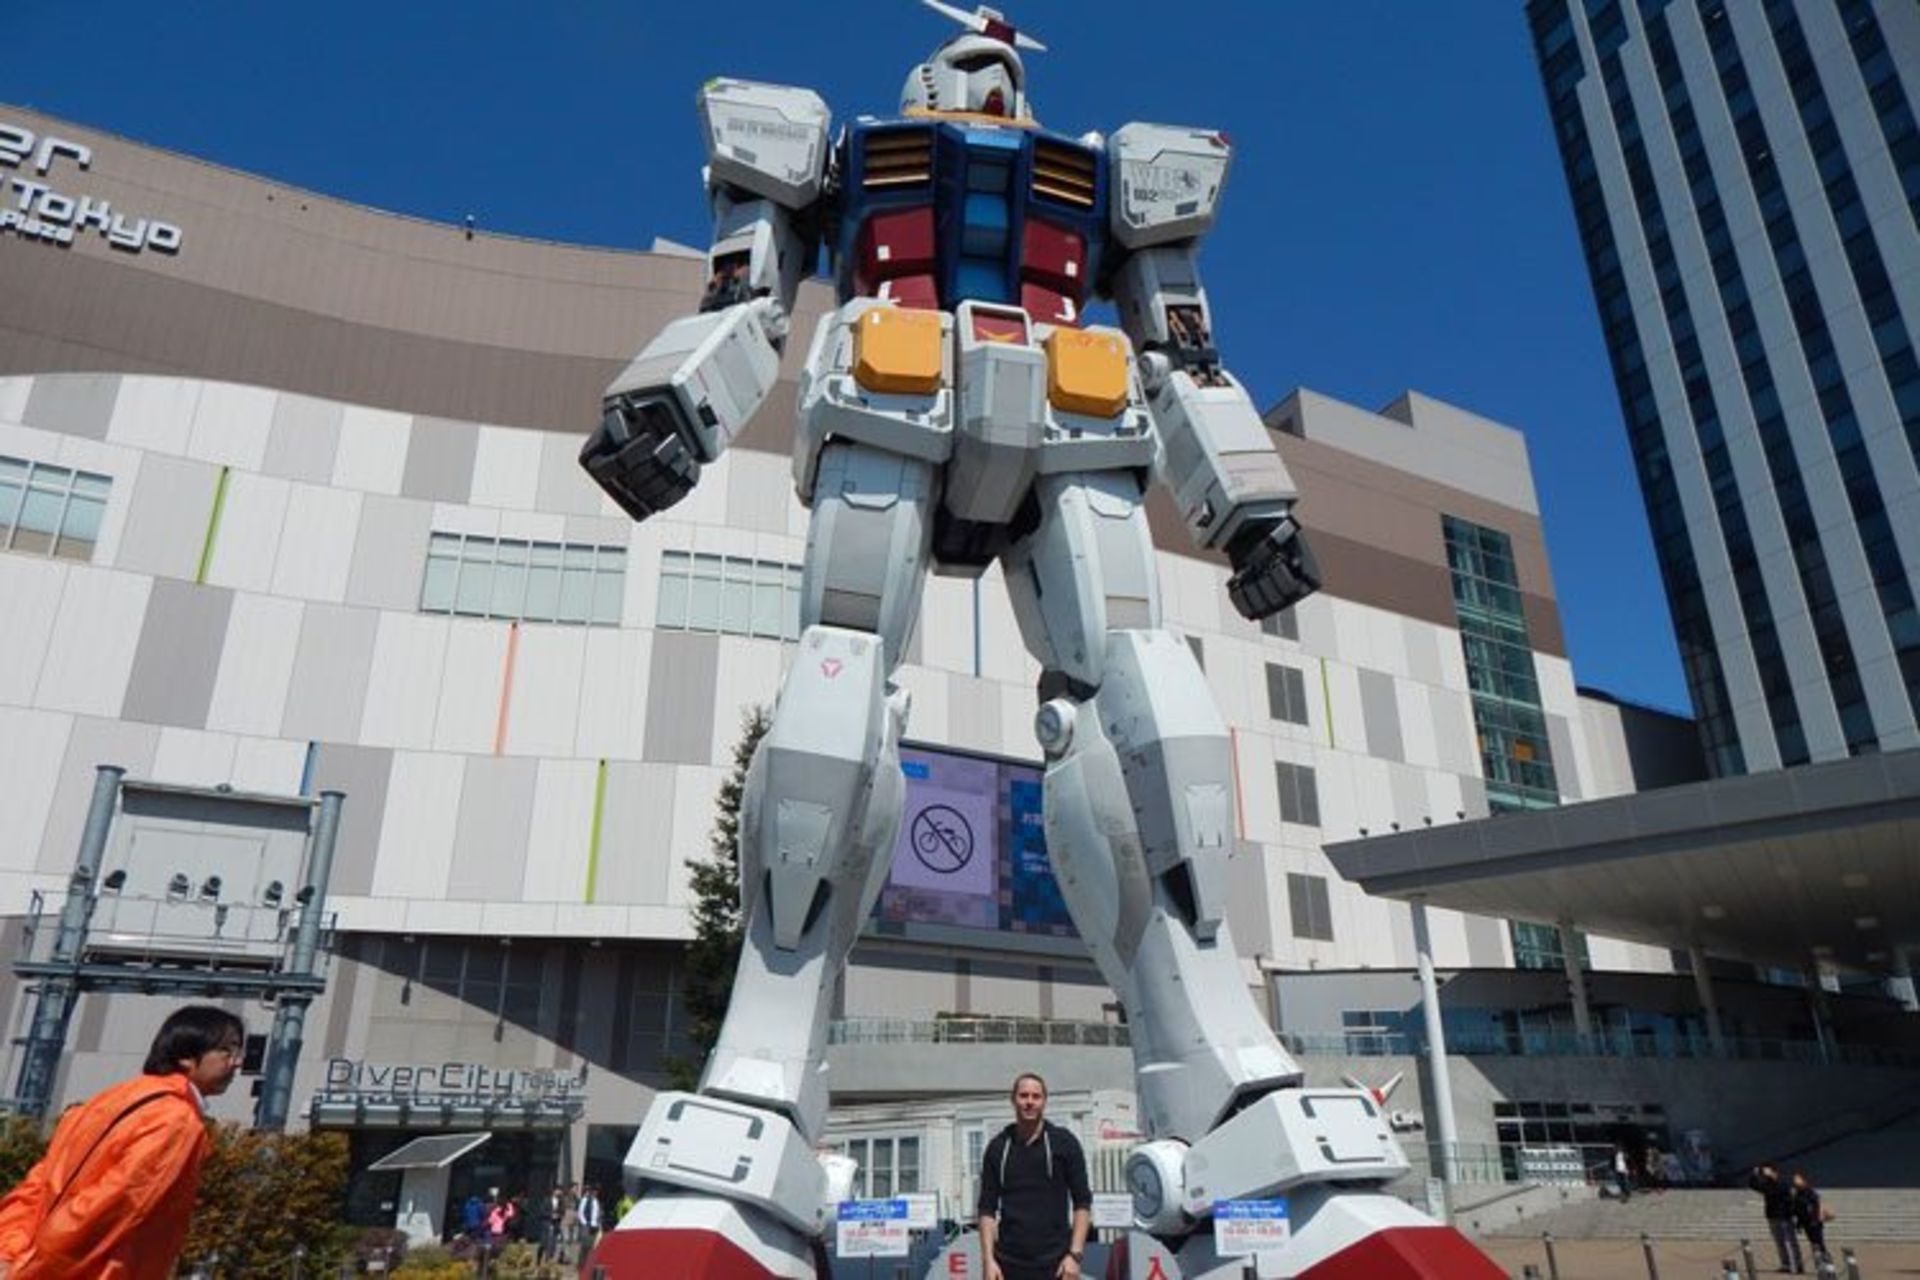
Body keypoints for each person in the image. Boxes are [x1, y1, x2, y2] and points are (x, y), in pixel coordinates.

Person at [0, 1004, 244, 1280]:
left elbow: (40, 1185)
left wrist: (9, 1254)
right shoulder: (176, 1121)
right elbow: (114, 1206)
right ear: (187, 1056)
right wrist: (34, 1270)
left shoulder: (107, 1100)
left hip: (34, 1260)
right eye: (227, 1051)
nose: (237, 1062)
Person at [977, 1073, 1091, 1280]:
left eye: (1036, 1096)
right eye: (1023, 1095)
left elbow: (1082, 1202)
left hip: (1057, 1265)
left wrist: (1075, 1255)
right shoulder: (998, 1148)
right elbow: (986, 1208)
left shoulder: (1064, 1143)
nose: (1029, 1102)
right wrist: (988, 1260)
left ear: (1044, 1101)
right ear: (1013, 1100)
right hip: (1007, 1265)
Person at [1749, 1163, 1802, 1274]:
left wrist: (1771, 1178)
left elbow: (1780, 1191)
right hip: (1773, 1216)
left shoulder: (1782, 1183)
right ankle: (1785, 1264)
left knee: (1790, 1241)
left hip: (1785, 1217)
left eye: (1767, 1171)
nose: (1765, 1174)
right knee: (1779, 1242)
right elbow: (1754, 1186)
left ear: (1774, 1172)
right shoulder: (1768, 1184)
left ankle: (1796, 1265)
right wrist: (1754, 1174)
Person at [1791, 1170, 1830, 1267]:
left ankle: (1827, 1263)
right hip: (1806, 1222)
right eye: (1795, 1179)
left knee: (1819, 1243)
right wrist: (1799, 1224)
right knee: (1813, 1243)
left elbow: (1815, 1206)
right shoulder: (1798, 1193)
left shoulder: (1810, 1192)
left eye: (1797, 1179)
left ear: (1804, 1180)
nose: (1795, 1181)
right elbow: (1798, 1210)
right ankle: (1819, 1264)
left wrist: (1815, 1220)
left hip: (1814, 1222)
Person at [576, 1184, 603, 1257]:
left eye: (597, 1191)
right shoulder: (585, 1199)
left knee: (592, 1246)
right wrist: (585, 1223)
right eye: (594, 1191)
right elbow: (580, 1212)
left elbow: (597, 1213)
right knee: (585, 1246)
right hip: (587, 1225)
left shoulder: (596, 1201)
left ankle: (588, 1260)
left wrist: (598, 1223)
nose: (595, 1192)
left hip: (595, 1226)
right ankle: (582, 1261)